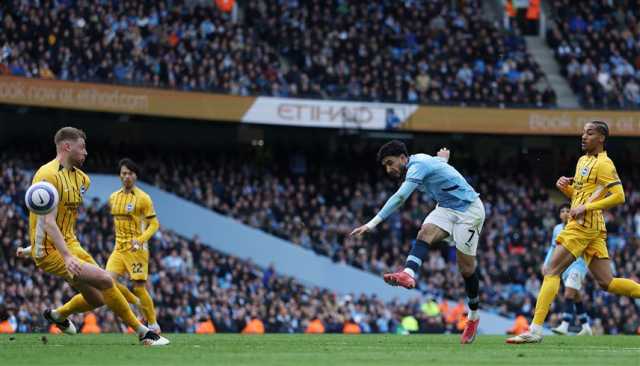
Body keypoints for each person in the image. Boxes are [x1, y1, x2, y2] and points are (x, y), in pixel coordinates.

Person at [26, 126, 168, 346]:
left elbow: (61, 219)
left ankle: (58, 316)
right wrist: (64, 256)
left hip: (71, 244)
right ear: (67, 146)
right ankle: (144, 333)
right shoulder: (46, 175)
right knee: (104, 280)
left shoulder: (82, 180)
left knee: (98, 298)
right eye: (82, 147)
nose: (86, 152)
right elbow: (47, 222)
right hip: (51, 250)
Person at [507, 121, 640, 344]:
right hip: (592, 227)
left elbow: (619, 196)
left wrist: (585, 208)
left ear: (601, 138)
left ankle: (535, 330)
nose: (584, 136)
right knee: (607, 282)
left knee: (551, 270)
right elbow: (580, 196)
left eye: (590, 133)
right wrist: (566, 189)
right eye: (583, 132)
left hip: (583, 225)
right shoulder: (582, 161)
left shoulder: (605, 164)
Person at [351, 141, 485, 344]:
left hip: (469, 211)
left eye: (390, 163)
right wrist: (442, 161)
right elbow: (436, 169)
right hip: (446, 208)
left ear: (403, 158)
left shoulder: (417, 166)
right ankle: (408, 274)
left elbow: (400, 198)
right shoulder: (421, 165)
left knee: (466, 270)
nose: (389, 169)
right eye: (386, 165)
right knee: (425, 232)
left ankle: (473, 316)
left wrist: (372, 223)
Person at [105, 158, 161, 333]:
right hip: (119, 249)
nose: (126, 176)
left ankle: (153, 324)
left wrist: (141, 239)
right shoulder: (113, 198)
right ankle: (138, 304)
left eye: (130, 173)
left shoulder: (143, 198)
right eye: (123, 173)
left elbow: (154, 224)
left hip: (137, 250)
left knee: (139, 288)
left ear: (135, 176)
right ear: (120, 176)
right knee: (106, 282)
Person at [543, 204, 592, 336]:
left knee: (568, 293)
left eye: (567, 211)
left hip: (578, 264)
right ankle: (586, 326)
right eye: (562, 211)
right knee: (575, 295)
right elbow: (553, 248)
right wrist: (546, 263)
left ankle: (564, 325)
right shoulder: (557, 229)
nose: (565, 213)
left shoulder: (578, 225)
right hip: (564, 266)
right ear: (559, 215)